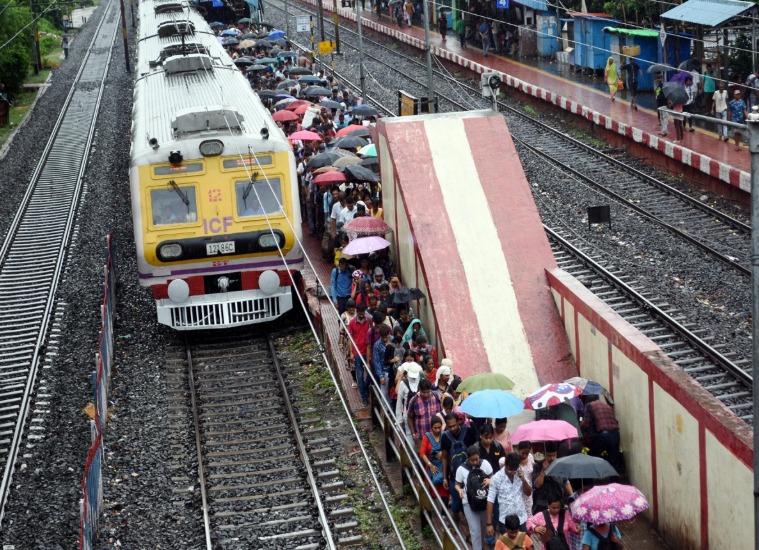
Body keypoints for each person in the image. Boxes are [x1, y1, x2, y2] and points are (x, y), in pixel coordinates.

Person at [441, 411, 479, 524]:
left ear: (459, 422)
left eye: (454, 425)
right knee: (456, 503)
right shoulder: (445, 437)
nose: (452, 429)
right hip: (453, 476)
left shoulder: (468, 432)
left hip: (469, 474)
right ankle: (456, 515)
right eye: (449, 426)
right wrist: (444, 477)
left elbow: (475, 451)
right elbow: (444, 457)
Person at [455, 445, 493, 550]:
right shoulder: (461, 469)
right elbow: (457, 484)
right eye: (472, 460)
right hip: (469, 502)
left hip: (485, 501)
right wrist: (460, 490)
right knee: (475, 530)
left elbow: (493, 477)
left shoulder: (485, 464)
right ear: (467, 458)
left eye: (477, 459)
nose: (475, 462)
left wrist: (490, 480)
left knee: (483, 528)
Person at [486, 452, 530, 539]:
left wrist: (523, 480)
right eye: (510, 469)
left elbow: (528, 493)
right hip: (505, 521)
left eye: (515, 469)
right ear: (505, 465)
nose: (513, 472)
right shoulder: (496, 478)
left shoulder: (522, 473)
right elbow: (490, 501)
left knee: (525, 545)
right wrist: (489, 524)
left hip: (521, 519)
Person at [582, 395, 620, 471]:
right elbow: (615, 421)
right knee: (614, 460)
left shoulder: (590, 406)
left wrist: (582, 425)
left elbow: (587, 424)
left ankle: (591, 481)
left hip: (604, 435)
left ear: (588, 401)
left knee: (592, 456)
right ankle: (614, 481)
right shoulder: (607, 406)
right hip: (616, 434)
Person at [531, 443, 572, 514]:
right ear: (544, 454)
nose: (552, 458)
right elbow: (537, 485)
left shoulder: (561, 466)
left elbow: (566, 482)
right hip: (542, 505)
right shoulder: (537, 466)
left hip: (558, 503)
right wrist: (543, 470)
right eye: (549, 456)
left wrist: (572, 497)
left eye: (554, 455)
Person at [407, 378, 443, 450]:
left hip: (436, 436)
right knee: (422, 457)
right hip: (421, 436)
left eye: (428, 392)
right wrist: (413, 433)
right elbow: (409, 417)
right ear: (419, 389)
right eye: (424, 392)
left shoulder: (437, 397)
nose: (426, 394)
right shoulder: (414, 400)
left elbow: (442, 413)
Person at [420, 415, 449, 501]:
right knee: (432, 490)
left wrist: (443, 453)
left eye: (439, 428)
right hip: (431, 468)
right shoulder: (426, 437)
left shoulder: (444, 435)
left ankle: (444, 512)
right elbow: (422, 453)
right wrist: (430, 465)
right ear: (431, 427)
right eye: (435, 428)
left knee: (444, 492)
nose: (437, 430)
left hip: (443, 467)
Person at [347, 303, 371, 406]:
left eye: (363, 313)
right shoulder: (352, 323)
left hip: (367, 351)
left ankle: (364, 387)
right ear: (357, 312)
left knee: (370, 374)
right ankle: (364, 397)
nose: (361, 315)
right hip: (357, 352)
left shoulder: (368, 321)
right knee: (360, 375)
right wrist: (351, 352)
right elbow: (350, 338)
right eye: (360, 313)